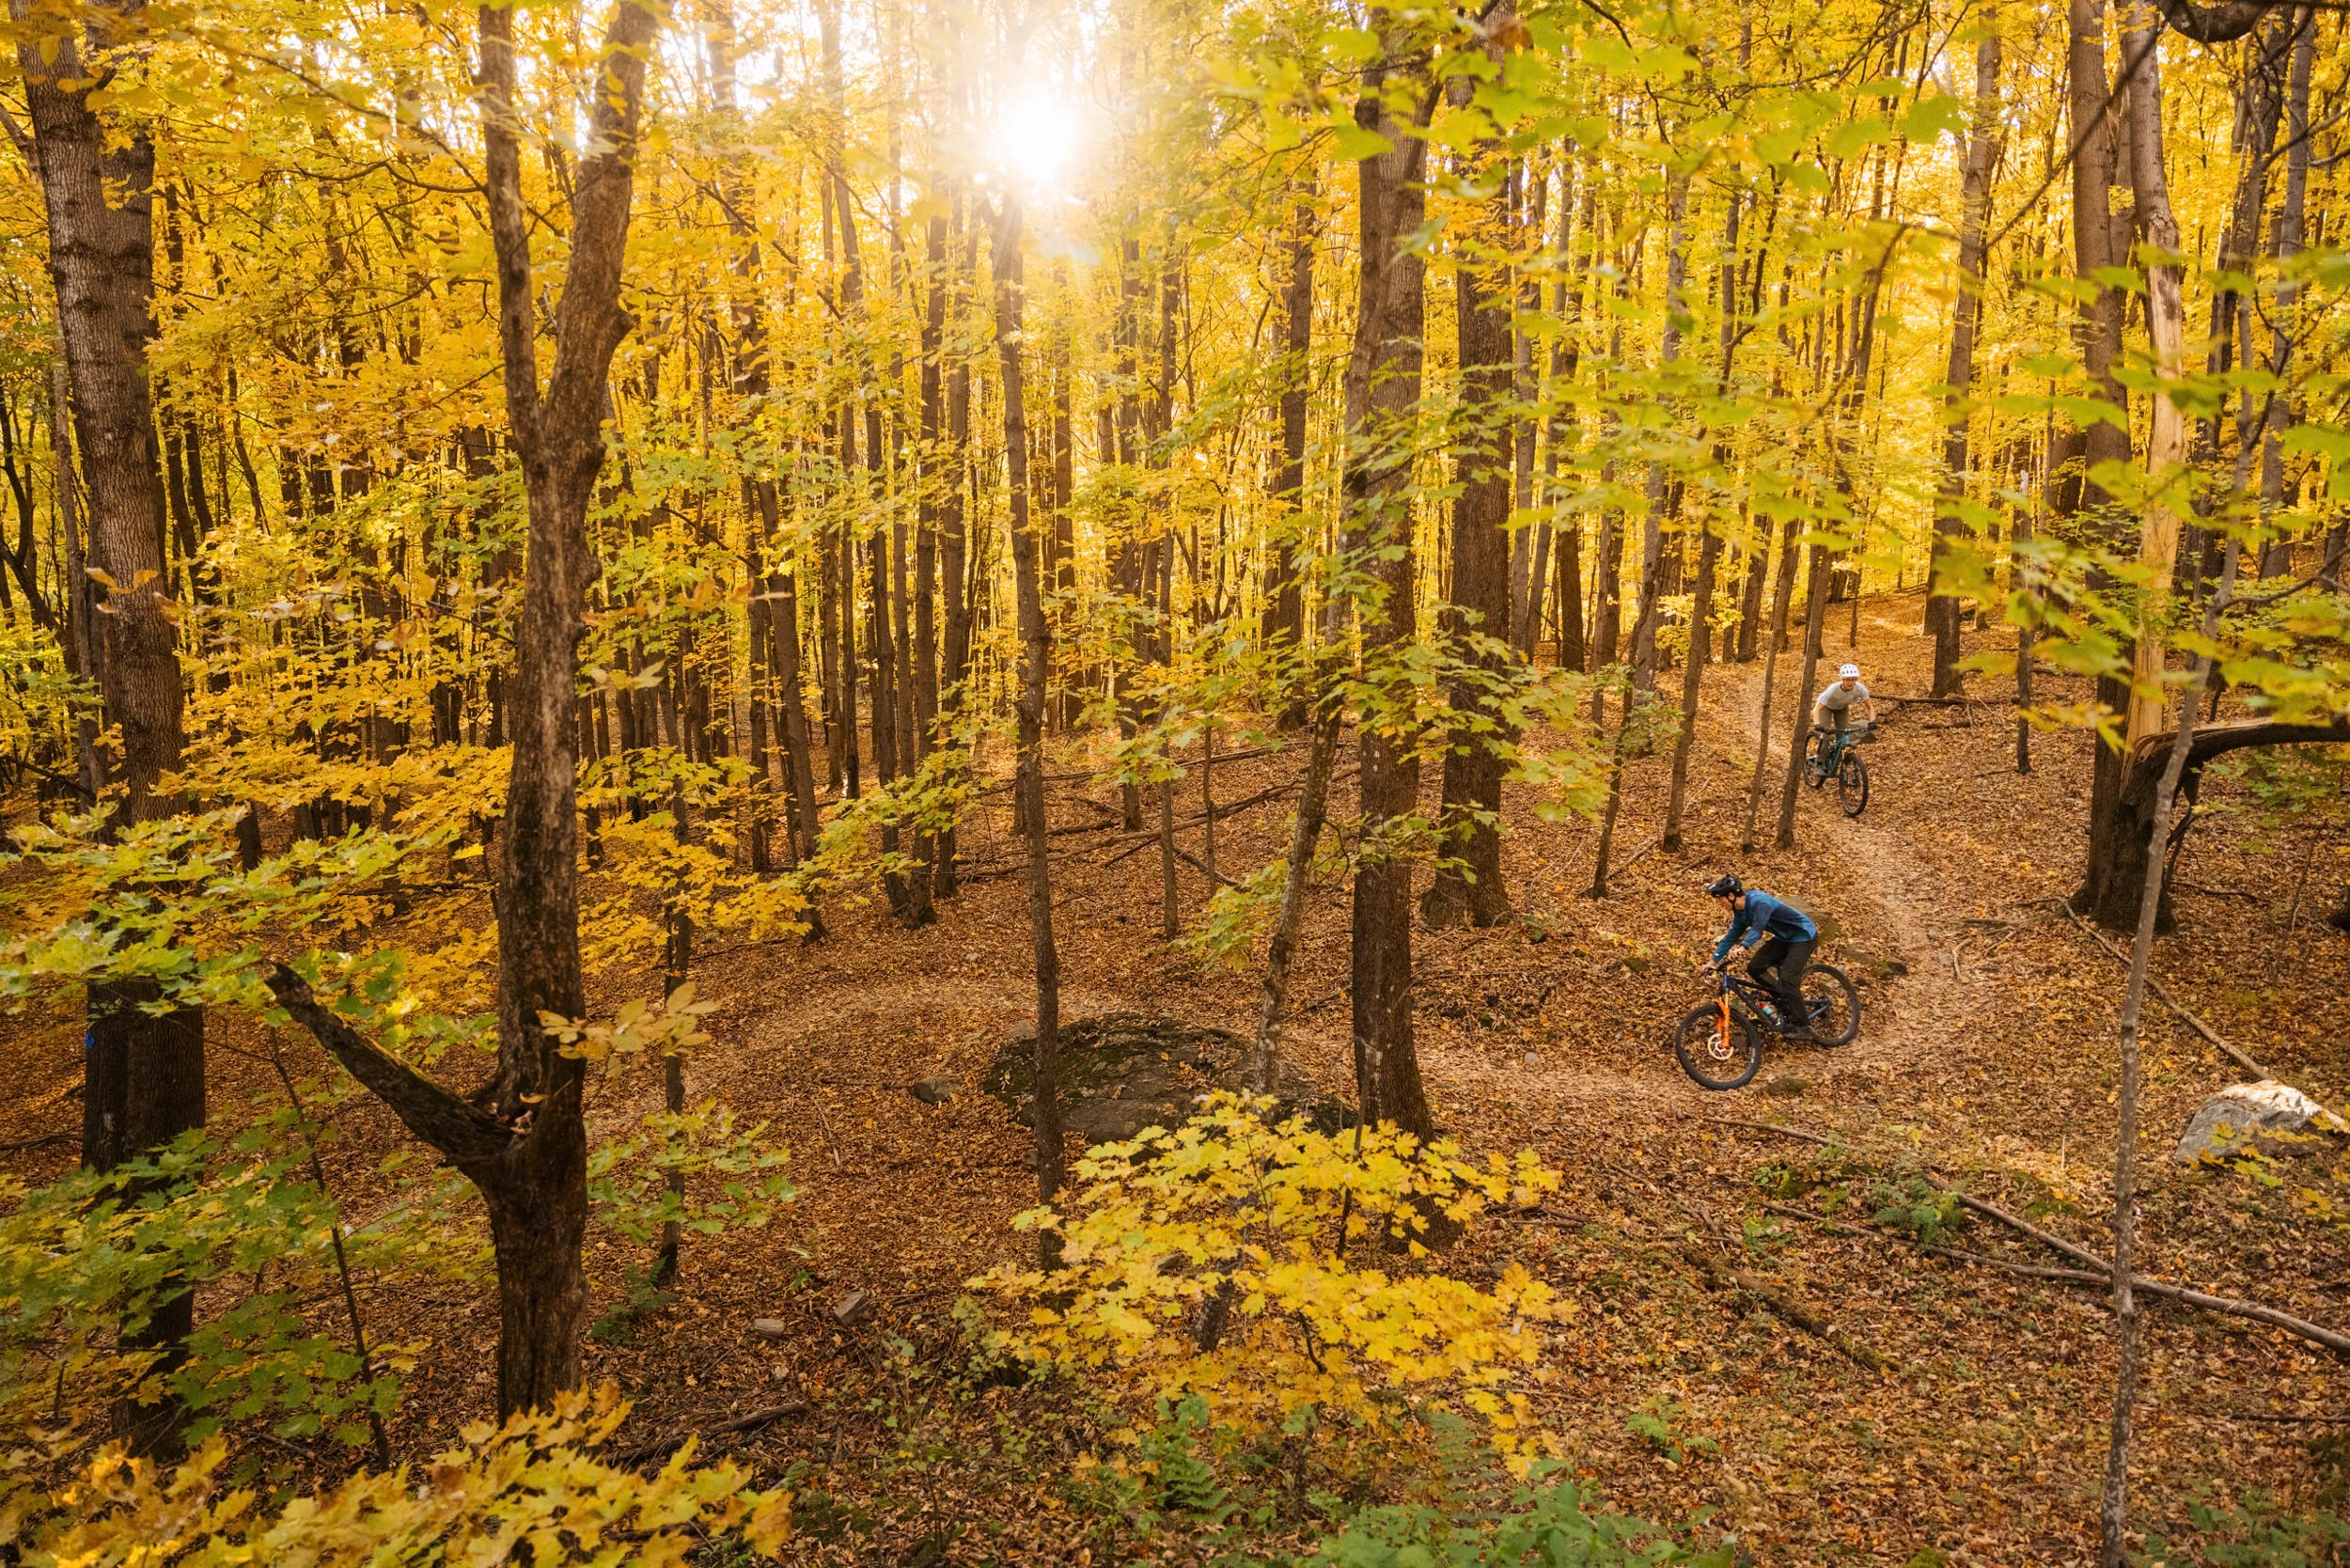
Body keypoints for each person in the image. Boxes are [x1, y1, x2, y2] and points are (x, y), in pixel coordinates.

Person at [1704, 873, 1819, 1041]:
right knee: (1755, 967)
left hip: (1803, 936)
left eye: (1720, 899)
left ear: (1731, 896)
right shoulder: (1740, 912)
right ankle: (1783, 996)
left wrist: (1743, 947)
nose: (1719, 903)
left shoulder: (1759, 902)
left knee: (1788, 978)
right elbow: (1731, 936)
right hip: (1784, 938)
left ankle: (1803, 1026)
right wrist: (1712, 961)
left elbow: (1757, 930)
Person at [1810, 663, 1875, 768]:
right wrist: (1817, 724)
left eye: (1853, 679)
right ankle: (1820, 762)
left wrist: (1872, 721)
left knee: (1844, 736)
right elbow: (1817, 708)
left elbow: (1870, 707)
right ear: (1842, 679)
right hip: (1826, 708)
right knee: (1826, 735)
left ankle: (1838, 760)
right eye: (1848, 679)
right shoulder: (1833, 689)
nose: (1851, 682)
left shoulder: (1860, 689)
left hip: (1842, 708)